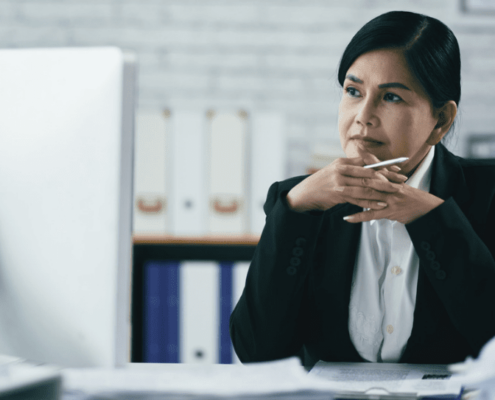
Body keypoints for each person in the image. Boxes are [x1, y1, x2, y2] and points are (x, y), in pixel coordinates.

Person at [229, 10, 495, 368]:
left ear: (441, 120)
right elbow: (258, 353)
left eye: (392, 98)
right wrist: (294, 211)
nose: (362, 115)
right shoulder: (301, 201)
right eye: (353, 91)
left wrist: (431, 219)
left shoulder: (487, 192)